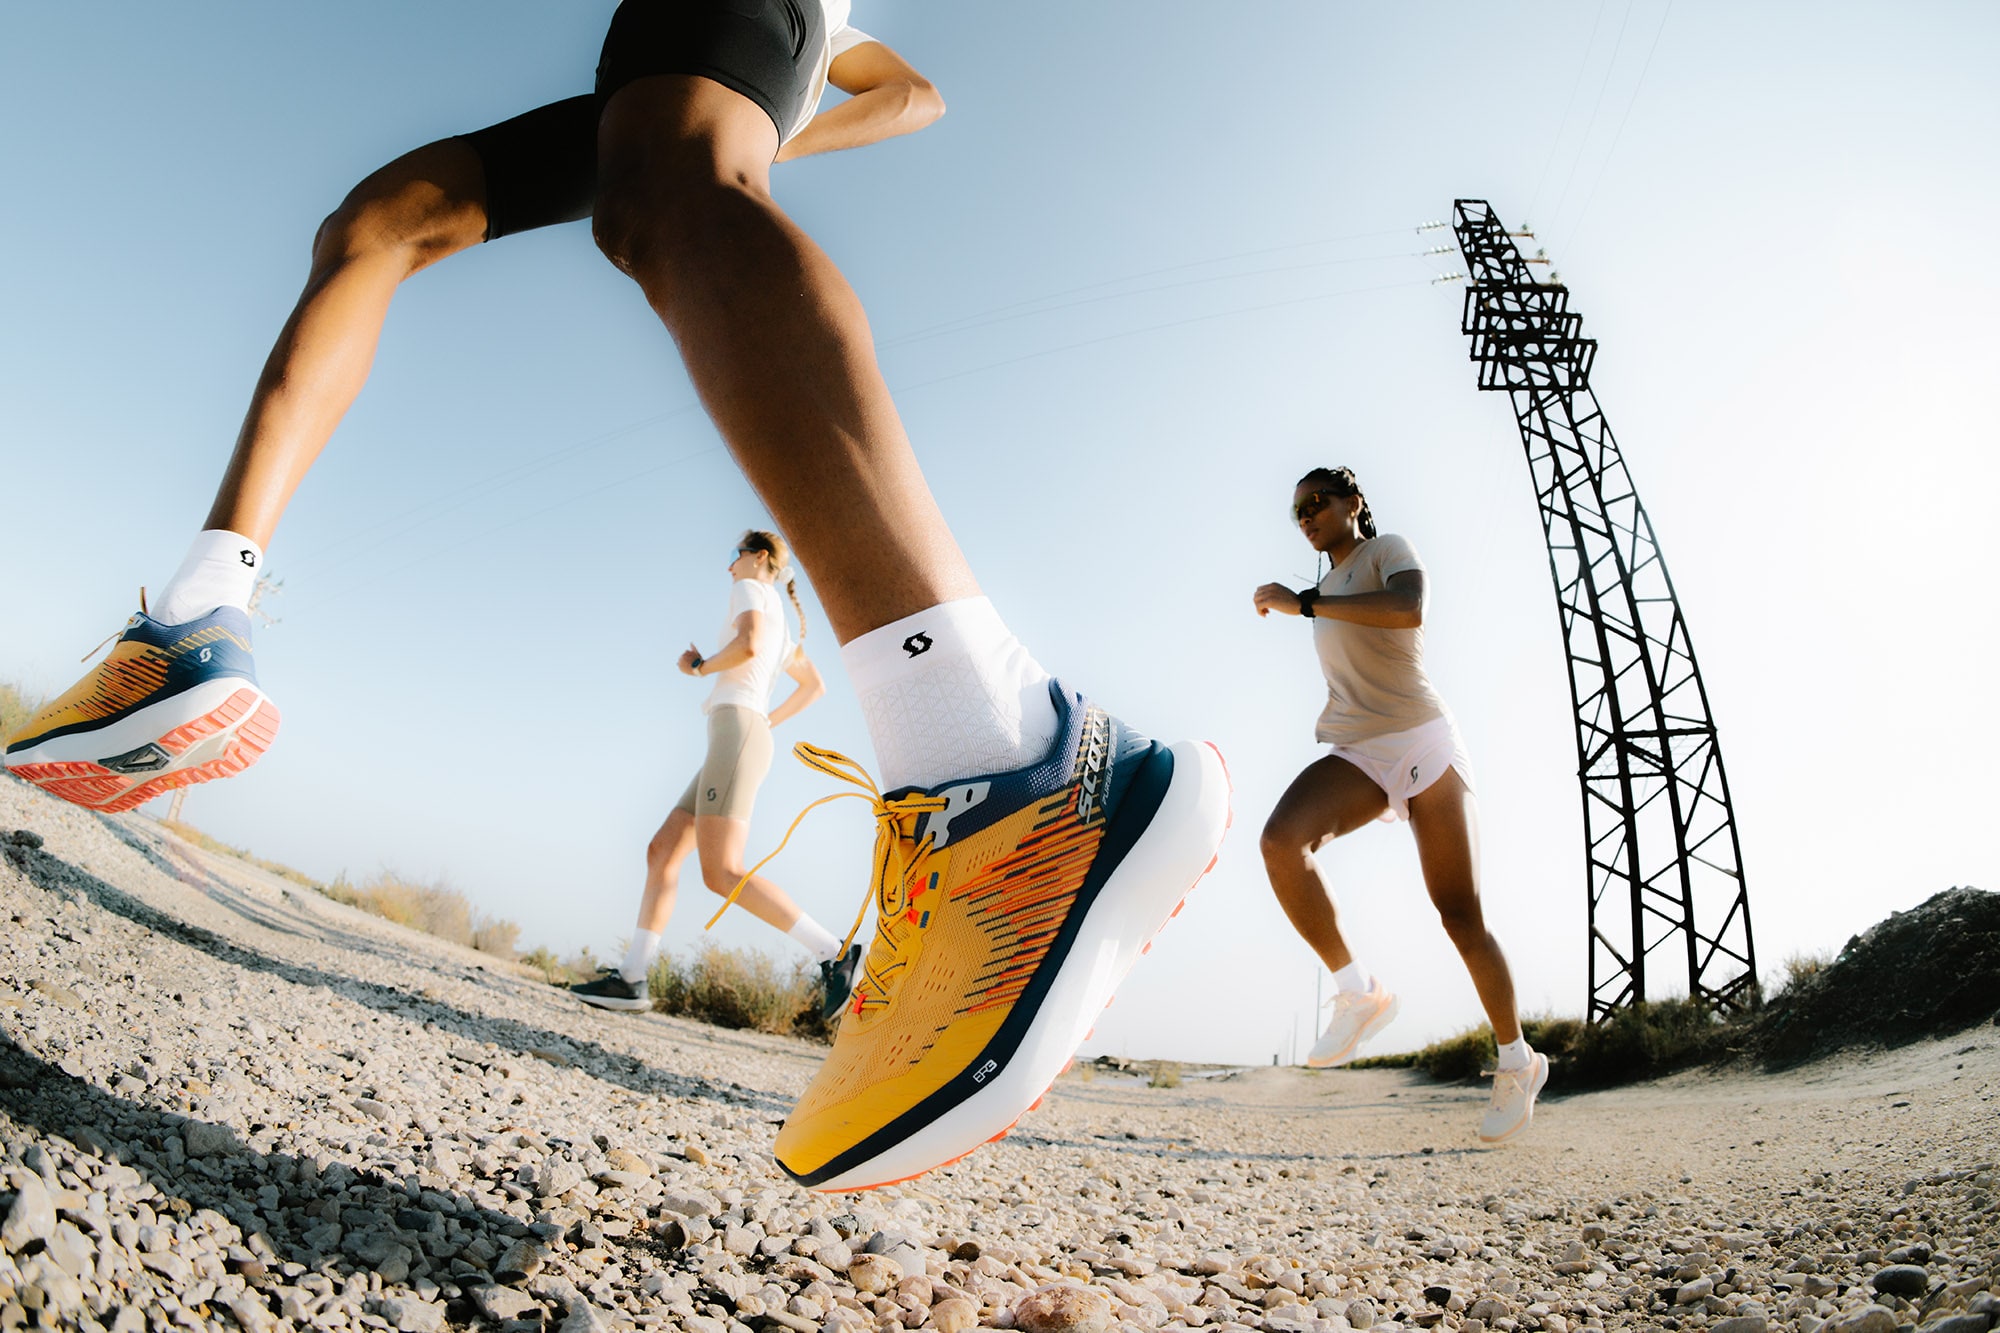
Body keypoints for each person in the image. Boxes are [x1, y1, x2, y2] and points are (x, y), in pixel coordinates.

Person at [6, 2, 1231, 1191]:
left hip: (697, 84)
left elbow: (908, 94)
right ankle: (200, 613)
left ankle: (1008, 752)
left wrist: (722, 143)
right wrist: (719, 130)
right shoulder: (793, 50)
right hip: (656, 80)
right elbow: (909, 93)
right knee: (380, 218)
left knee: (669, 187)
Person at [1253, 466, 1546, 1144]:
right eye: (1297, 508)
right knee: (1279, 843)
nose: (1306, 515)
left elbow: (1408, 608)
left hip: (1422, 740)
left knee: (1460, 915)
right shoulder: (1321, 589)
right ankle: (1360, 990)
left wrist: (1305, 603)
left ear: (1355, 503)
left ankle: (1516, 1059)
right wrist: (1310, 600)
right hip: (1359, 748)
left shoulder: (1385, 553)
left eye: (1317, 501)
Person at [569, 530, 865, 1020]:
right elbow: (814, 686)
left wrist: (700, 667)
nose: (729, 566)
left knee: (721, 871)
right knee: (662, 850)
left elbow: (747, 646)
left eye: (735, 555)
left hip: (737, 730)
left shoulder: (751, 589)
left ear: (759, 558)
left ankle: (834, 952)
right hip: (737, 733)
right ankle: (632, 978)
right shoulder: (782, 620)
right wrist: (766, 720)